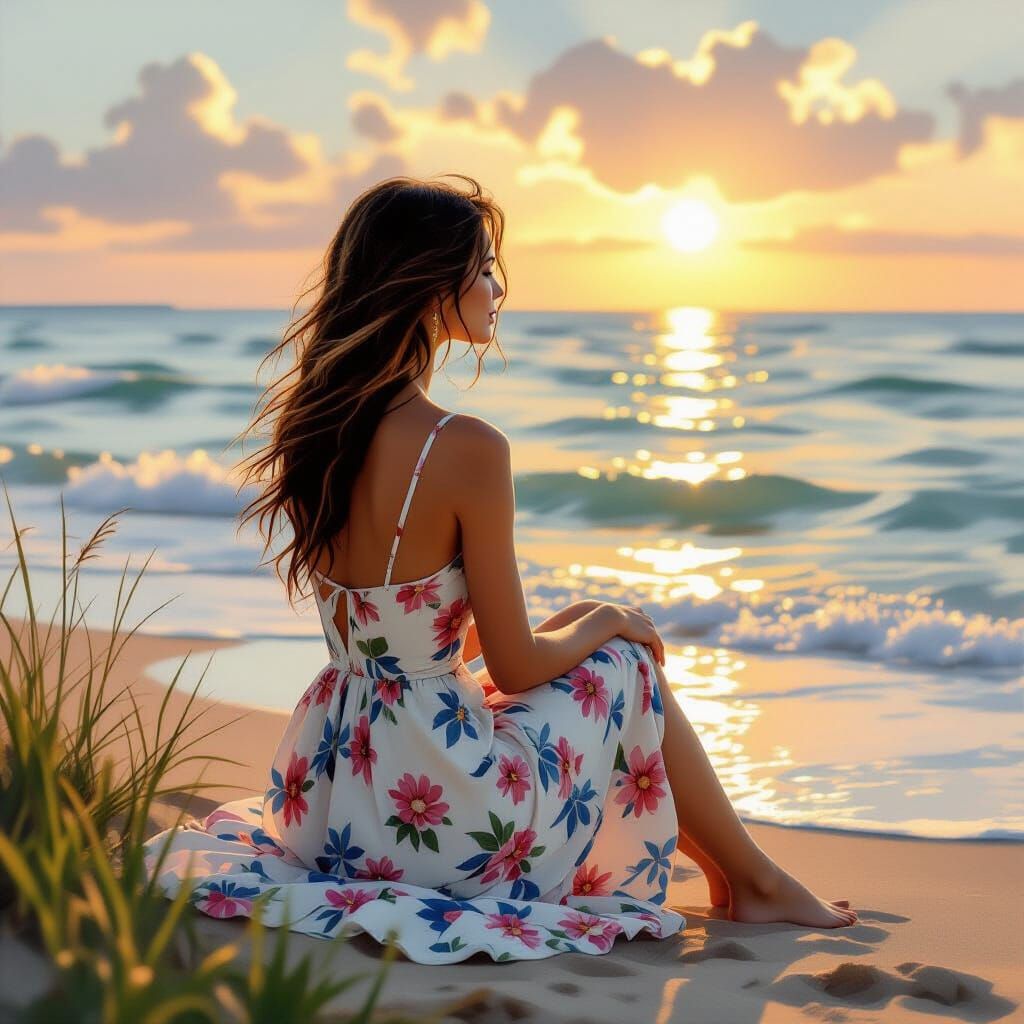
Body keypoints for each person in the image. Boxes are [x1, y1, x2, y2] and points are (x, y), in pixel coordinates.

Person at [144, 174, 855, 965]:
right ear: (429, 287)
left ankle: (743, 879)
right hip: (444, 824)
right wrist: (605, 619)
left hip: (334, 803)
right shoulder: (466, 446)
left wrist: (579, 617)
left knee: (584, 636)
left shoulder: (317, 430)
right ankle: (750, 881)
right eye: (483, 268)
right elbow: (515, 668)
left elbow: (414, 646)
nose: (496, 288)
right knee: (621, 661)